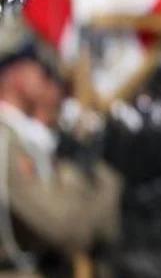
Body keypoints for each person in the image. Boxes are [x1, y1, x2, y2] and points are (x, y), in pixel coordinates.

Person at [0, 15, 121, 274]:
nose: (49, 75)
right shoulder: (5, 142)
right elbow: (67, 227)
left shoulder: (23, 137)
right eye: (36, 62)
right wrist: (88, 177)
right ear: (12, 74)